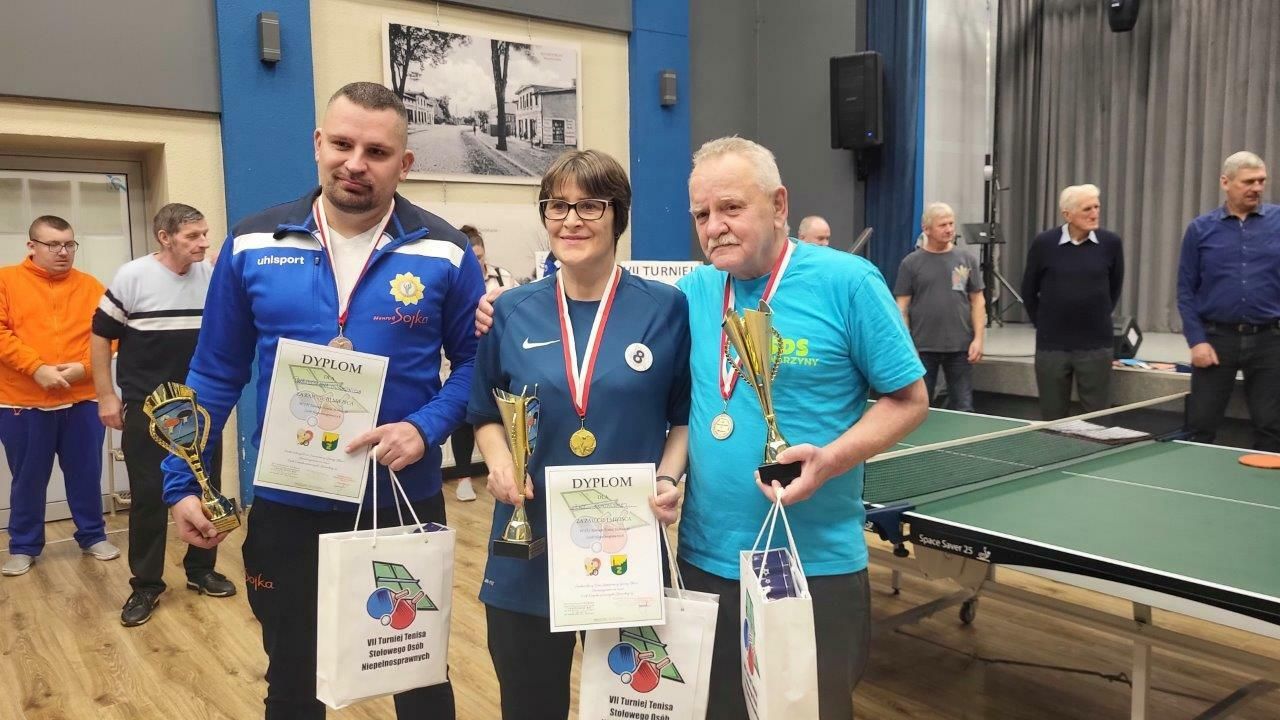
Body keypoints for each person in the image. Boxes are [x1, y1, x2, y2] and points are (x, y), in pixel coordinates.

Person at [161, 82, 483, 719]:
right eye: (341, 144)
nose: (355, 163)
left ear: (404, 163)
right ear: (317, 144)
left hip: (400, 501)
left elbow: (477, 364)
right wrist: (182, 479)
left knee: (420, 679)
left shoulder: (444, 250)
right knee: (291, 681)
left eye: (377, 152)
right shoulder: (253, 243)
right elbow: (216, 373)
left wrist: (426, 427)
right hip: (289, 502)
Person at [679, 137, 927, 719]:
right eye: (701, 213)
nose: (714, 226)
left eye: (731, 207)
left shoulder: (849, 283)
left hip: (813, 566)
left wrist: (831, 459)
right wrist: (497, 310)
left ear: (779, 204)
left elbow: (909, 400)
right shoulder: (692, 292)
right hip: (704, 560)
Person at [467, 149, 689, 720]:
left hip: (624, 551)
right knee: (529, 706)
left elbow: (684, 416)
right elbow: (485, 410)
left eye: (590, 205)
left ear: (619, 216)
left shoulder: (666, 308)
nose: (571, 219)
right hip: (528, 546)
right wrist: (500, 464)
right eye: (557, 205)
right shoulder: (510, 310)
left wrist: (668, 478)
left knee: (630, 709)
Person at [90, 203, 234, 627]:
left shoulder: (212, 275)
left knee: (206, 488)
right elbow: (99, 338)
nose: (204, 243)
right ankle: (147, 584)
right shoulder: (133, 276)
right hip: (147, 407)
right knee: (150, 497)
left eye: (205, 234)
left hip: (201, 408)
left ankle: (201, 569)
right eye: (193, 236)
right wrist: (106, 396)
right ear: (165, 237)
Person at [1, 216, 120, 577]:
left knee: (86, 474)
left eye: (69, 244)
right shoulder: (6, 281)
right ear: (31, 246)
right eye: (53, 244)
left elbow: (112, 333)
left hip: (82, 400)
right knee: (28, 479)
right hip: (22, 403)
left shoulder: (90, 286)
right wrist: (36, 368)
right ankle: (23, 546)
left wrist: (85, 368)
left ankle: (93, 535)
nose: (63, 252)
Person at [1178, 151, 1280, 451]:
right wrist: (1196, 341)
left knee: (1271, 427)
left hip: (1270, 341)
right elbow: (1186, 290)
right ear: (1226, 182)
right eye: (1248, 181)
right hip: (1216, 340)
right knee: (1201, 426)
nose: (1257, 188)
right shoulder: (1200, 229)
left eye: (1261, 181)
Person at [1020, 184, 1124, 420]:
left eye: (1097, 207)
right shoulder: (1044, 243)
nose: (1095, 213)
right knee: (1053, 416)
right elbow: (1029, 290)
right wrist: (1044, 324)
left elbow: (1114, 288)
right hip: (1052, 346)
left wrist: (1095, 317)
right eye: (1087, 209)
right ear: (1067, 214)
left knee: (1098, 418)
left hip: (1096, 345)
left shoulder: (1111, 243)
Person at [446, 224, 519, 502]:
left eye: (479, 256)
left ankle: (509, 472)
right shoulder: (455, 278)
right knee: (466, 421)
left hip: (502, 358)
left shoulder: (503, 277)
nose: (476, 262)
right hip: (469, 358)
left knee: (505, 418)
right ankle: (464, 477)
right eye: (471, 257)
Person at [894, 202, 986, 411]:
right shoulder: (911, 263)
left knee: (964, 406)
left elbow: (978, 301)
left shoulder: (966, 259)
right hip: (922, 347)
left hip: (960, 347)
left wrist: (978, 339)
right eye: (942, 225)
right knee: (918, 406)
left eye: (951, 223)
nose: (949, 229)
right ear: (926, 229)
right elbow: (902, 307)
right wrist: (907, 344)